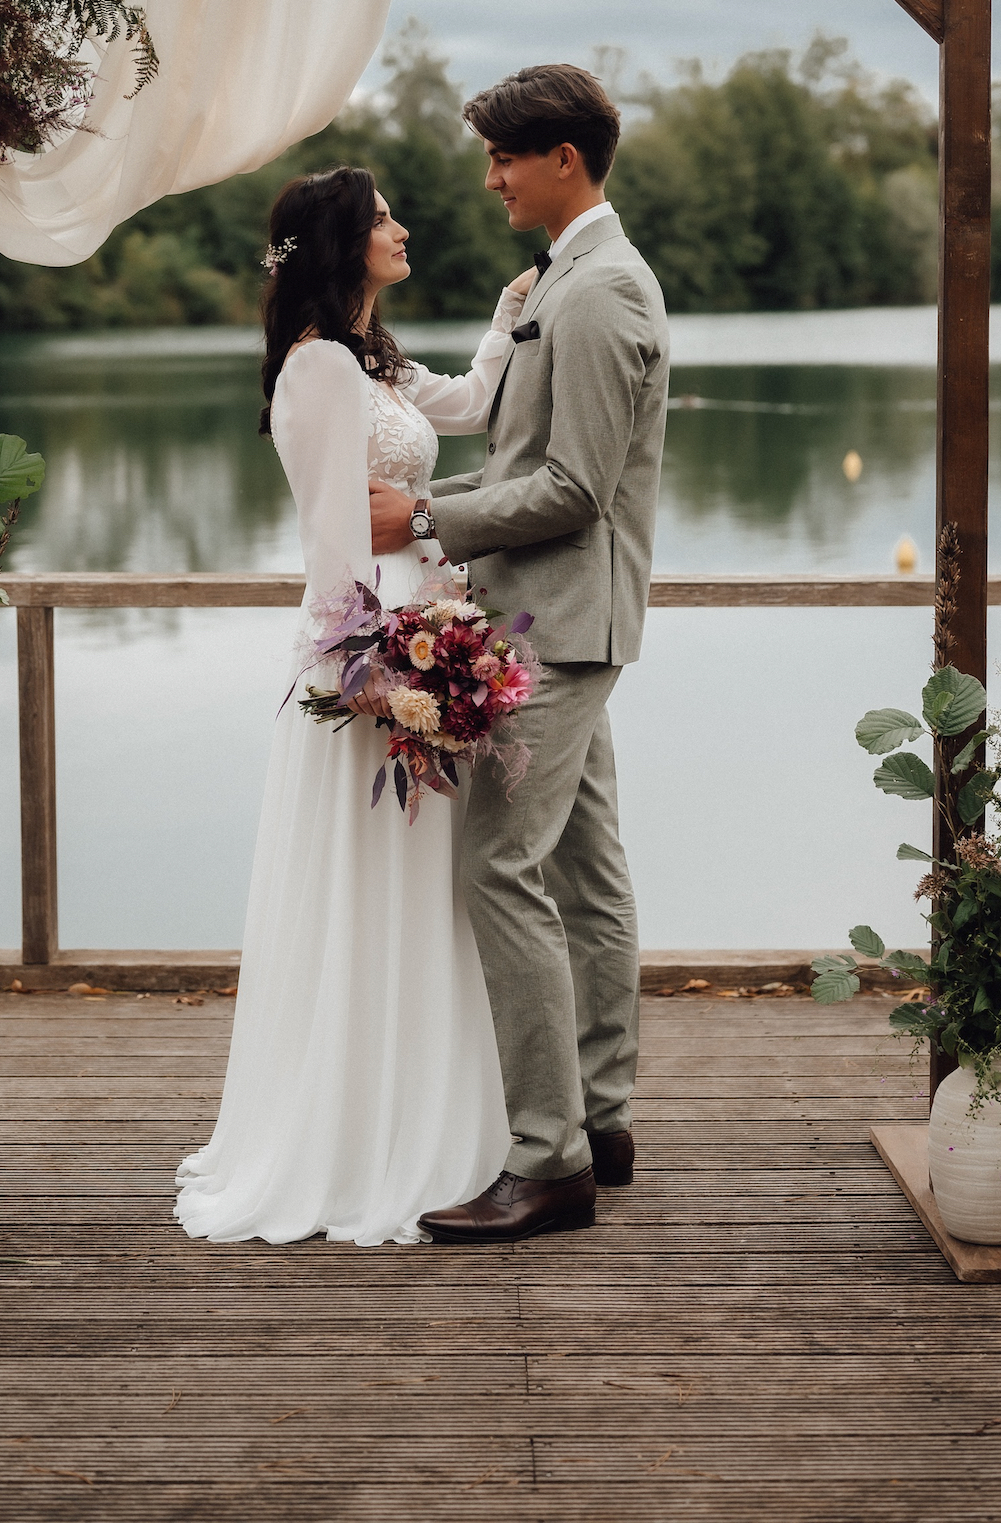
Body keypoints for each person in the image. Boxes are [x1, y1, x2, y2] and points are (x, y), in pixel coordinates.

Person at [175, 165, 533, 1247]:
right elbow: (338, 542)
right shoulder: (321, 366)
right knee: (373, 893)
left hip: (415, 643)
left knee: (420, 896)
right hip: (373, 666)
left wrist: (511, 317)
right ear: (341, 239)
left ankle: (421, 1116)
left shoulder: (367, 361)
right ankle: (363, 1140)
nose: (402, 224)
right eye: (383, 216)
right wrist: (384, 671)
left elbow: (468, 407)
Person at [369, 65, 669, 1242]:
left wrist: (428, 516)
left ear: (562, 158)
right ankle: (601, 1116)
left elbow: (573, 486)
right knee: (588, 871)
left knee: (497, 867)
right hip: (556, 616)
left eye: (501, 156)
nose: (488, 178)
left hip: (560, 622)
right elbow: (526, 440)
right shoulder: (567, 276)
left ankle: (546, 1162)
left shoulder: (599, 294)